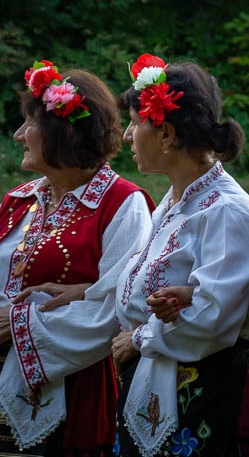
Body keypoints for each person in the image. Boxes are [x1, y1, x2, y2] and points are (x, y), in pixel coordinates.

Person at [113, 56, 249, 457]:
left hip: (206, 390)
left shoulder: (224, 210)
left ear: (166, 134)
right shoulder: (175, 202)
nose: (129, 135)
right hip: (160, 382)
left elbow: (212, 320)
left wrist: (141, 337)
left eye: (136, 123)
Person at [0, 62, 153, 455]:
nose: (18, 136)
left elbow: (115, 310)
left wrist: (18, 323)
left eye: (28, 124)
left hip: (73, 392)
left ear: (62, 131)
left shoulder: (123, 204)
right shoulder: (17, 201)